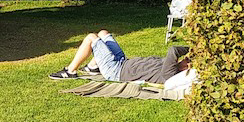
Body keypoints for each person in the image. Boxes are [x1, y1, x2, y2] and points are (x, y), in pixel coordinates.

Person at [49, 30, 190, 82]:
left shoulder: (170, 74)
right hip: (122, 62)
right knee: (103, 33)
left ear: (186, 69)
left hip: (115, 71)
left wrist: (193, 48)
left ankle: (69, 71)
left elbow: (173, 50)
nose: (185, 59)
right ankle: (92, 67)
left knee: (91, 38)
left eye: (187, 61)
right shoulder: (173, 66)